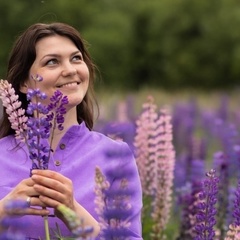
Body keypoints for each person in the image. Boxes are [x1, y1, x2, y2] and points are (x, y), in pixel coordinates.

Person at [0, 22, 142, 239]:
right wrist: (3, 210)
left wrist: (72, 211)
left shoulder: (116, 156)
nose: (70, 70)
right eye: (52, 62)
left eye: (76, 58)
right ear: (24, 83)